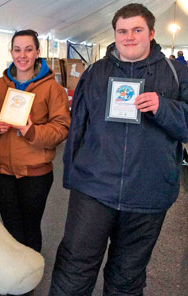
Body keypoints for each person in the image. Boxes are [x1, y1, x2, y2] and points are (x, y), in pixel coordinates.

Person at [49, 3, 188, 295]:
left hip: (147, 195)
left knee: (127, 276)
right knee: (74, 267)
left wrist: (164, 108)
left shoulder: (176, 74)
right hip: (94, 190)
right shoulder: (96, 72)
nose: (129, 37)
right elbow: (78, 127)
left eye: (137, 30)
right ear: (114, 34)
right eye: (122, 31)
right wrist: (71, 177)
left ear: (151, 32)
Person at [0, 29, 70, 295]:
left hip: (36, 172)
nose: (22, 55)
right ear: (11, 52)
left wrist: (31, 131)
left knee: (30, 226)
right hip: (2, 170)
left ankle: (29, 275)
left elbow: (61, 128)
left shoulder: (53, 89)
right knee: (10, 225)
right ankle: (14, 272)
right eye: (17, 49)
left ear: (37, 52)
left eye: (28, 49)